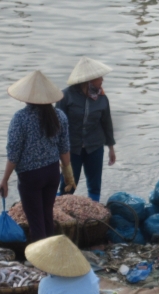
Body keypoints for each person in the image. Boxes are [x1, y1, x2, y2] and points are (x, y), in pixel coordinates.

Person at [0, 70, 75, 242]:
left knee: (36, 221)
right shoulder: (59, 116)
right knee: (47, 214)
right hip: (52, 173)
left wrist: (4, 180)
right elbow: (64, 148)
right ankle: (52, 252)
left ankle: (41, 261)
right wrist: (69, 175)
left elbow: (14, 153)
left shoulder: (20, 118)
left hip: (31, 176)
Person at [57, 56, 116, 202]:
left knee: (95, 184)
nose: (102, 80)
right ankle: (60, 212)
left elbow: (106, 123)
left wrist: (111, 148)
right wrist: (56, 150)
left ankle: (94, 211)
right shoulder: (66, 96)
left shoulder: (102, 98)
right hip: (71, 149)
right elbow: (56, 126)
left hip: (95, 146)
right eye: (99, 77)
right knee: (68, 184)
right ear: (89, 80)